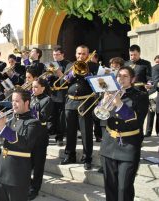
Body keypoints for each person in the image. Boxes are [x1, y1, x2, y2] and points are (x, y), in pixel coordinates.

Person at [100, 66, 148, 201]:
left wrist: (120, 105)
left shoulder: (141, 96)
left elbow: (137, 122)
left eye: (125, 76)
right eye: (119, 75)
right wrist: (103, 103)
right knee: (110, 186)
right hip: (109, 145)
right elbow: (96, 116)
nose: (120, 78)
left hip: (129, 146)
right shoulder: (110, 93)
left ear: (132, 79)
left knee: (124, 188)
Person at [0, 87, 42, 201]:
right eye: (12, 101)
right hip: (1, 172)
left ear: (27, 103)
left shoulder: (33, 123)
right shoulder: (10, 119)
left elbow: (25, 143)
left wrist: (3, 128)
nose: (13, 104)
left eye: (17, 101)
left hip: (17, 175)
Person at [60, 45, 99, 170]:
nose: (80, 56)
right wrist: (70, 75)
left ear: (88, 55)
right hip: (70, 102)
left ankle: (87, 157)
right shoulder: (69, 65)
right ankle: (69, 155)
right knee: (70, 131)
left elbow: (98, 86)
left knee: (86, 131)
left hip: (85, 102)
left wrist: (88, 74)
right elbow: (62, 83)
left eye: (83, 54)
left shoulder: (94, 66)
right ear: (75, 54)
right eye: (78, 53)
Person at [28, 78, 53, 200]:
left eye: (36, 87)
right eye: (32, 87)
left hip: (40, 136)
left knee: (38, 165)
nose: (33, 89)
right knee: (28, 163)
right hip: (29, 135)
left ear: (43, 88)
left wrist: (28, 110)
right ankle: (28, 184)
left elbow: (43, 117)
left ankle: (34, 189)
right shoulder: (31, 98)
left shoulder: (47, 100)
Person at [49, 46, 70, 146]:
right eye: (54, 55)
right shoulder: (51, 64)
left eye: (57, 54)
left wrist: (59, 72)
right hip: (53, 93)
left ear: (62, 55)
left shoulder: (68, 64)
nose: (55, 57)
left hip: (62, 93)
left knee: (61, 118)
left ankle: (60, 137)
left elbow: (68, 79)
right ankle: (52, 133)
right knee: (53, 116)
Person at [147, 55, 159, 137]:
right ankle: (149, 131)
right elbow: (155, 81)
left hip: (153, 92)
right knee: (152, 113)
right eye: (157, 62)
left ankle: (149, 131)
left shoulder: (152, 68)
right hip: (154, 93)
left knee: (152, 113)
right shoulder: (155, 68)